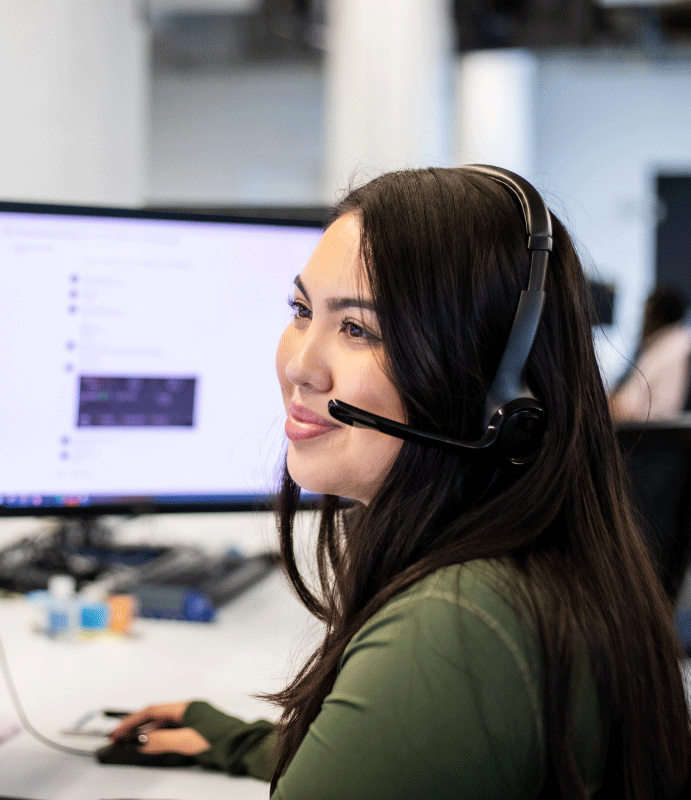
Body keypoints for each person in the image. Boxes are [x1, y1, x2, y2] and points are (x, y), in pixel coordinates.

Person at [110, 167, 691, 799]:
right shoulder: (531, 571)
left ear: (491, 395)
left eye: (357, 328)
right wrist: (244, 743)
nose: (301, 365)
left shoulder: (456, 627)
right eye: (303, 310)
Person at [609, 285, 691, 421]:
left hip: (647, 433)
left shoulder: (671, 350)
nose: (643, 321)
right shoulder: (667, 344)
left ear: (657, 316)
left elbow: (628, 408)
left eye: (646, 314)